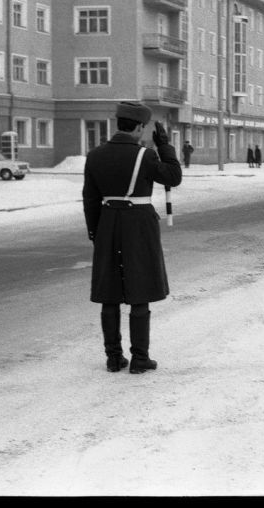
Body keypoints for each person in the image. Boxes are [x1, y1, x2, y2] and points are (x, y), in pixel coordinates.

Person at [82, 101, 182, 374]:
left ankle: (113, 358)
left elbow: (89, 199)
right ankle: (140, 358)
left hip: (107, 223)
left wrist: (96, 232)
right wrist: (164, 146)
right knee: (140, 291)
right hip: (138, 225)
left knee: (109, 294)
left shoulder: (95, 155)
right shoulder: (144, 156)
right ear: (139, 127)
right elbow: (173, 177)